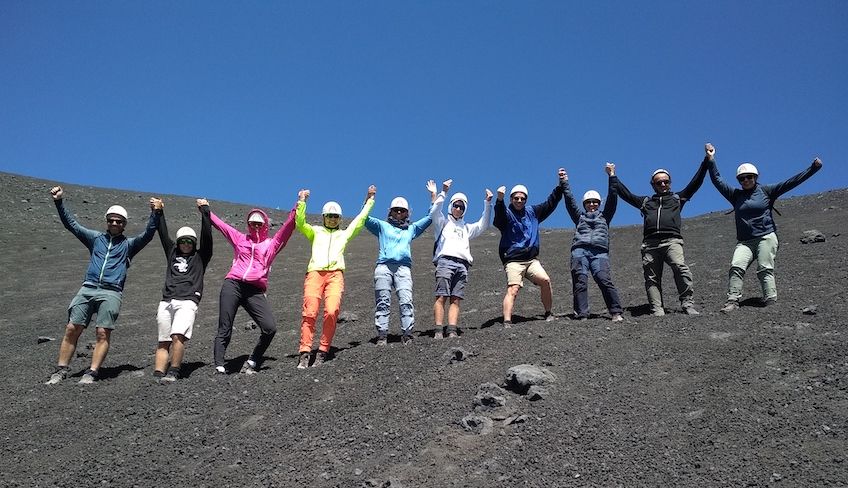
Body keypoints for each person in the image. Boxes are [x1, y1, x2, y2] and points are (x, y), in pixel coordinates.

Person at [46, 186, 161, 385]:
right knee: (73, 327)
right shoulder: (95, 238)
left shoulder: (129, 245)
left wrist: (156, 213)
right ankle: (61, 370)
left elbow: (148, 234)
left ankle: (92, 372)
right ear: (107, 222)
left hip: (111, 291)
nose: (114, 223)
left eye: (118, 221)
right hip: (88, 287)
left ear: (124, 224)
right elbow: (71, 224)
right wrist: (59, 201)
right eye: (111, 220)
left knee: (102, 331)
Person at [705, 143, 823, 312]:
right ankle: (732, 300)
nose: (746, 180)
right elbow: (717, 179)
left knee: (764, 268)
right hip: (744, 241)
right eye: (742, 178)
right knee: (736, 266)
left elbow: (790, 183)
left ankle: (770, 299)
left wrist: (812, 169)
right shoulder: (735, 195)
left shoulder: (766, 191)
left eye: (749, 177)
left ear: (756, 177)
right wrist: (711, 158)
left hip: (766, 237)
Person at [612, 146, 710, 316]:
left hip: (672, 241)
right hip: (650, 244)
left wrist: (707, 160)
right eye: (659, 182)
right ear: (653, 185)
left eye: (666, 181)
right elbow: (625, 194)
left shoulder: (677, 199)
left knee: (680, 268)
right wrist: (612, 175)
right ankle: (657, 308)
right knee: (651, 278)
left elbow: (696, 182)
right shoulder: (646, 202)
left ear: (670, 182)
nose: (663, 184)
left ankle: (687, 303)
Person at [295, 185, 376, 368]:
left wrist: (369, 200)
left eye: (336, 217)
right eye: (329, 216)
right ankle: (305, 352)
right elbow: (300, 223)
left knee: (332, 311)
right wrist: (302, 202)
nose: (332, 220)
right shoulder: (315, 231)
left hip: (335, 275)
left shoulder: (343, 235)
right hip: (315, 273)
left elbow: (359, 220)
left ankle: (323, 350)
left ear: (339, 219)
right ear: (324, 217)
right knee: (310, 312)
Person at [210, 202, 296, 374]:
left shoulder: (271, 244)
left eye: (259, 223)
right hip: (233, 284)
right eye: (252, 223)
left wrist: (299, 205)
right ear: (248, 225)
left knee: (270, 327)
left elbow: (287, 228)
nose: (256, 226)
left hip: (254, 290)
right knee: (225, 325)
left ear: (265, 225)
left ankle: (253, 359)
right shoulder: (240, 238)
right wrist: (206, 211)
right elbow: (222, 226)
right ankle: (219, 364)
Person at [493, 169, 566, 327]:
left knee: (545, 281)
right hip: (513, 261)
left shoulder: (533, 212)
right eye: (516, 198)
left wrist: (561, 185)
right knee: (513, 288)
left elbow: (550, 202)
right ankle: (507, 321)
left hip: (532, 260)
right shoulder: (506, 214)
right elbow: (498, 219)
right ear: (511, 199)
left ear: (526, 199)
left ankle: (548, 313)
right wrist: (499, 200)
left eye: (522, 198)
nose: (519, 201)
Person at [153, 198, 213, 382]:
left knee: (178, 335)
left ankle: (174, 370)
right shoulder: (172, 252)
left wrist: (205, 211)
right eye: (183, 241)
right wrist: (159, 212)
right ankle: (158, 373)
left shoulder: (201, 256)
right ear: (178, 242)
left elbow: (207, 237)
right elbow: (163, 234)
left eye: (190, 241)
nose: (186, 244)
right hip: (167, 300)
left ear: (193, 243)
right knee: (163, 340)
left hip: (187, 300)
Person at [365, 189, 434, 345]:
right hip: (384, 266)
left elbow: (430, 217)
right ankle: (382, 335)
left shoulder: (411, 229)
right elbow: (364, 218)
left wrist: (433, 197)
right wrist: (369, 198)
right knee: (383, 301)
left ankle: (407, 333)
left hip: (403, 268)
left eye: (402, 210)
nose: (398, 213)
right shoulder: (381, 226)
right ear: (390, 211)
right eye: (396, 210)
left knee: (406, 300)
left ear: (407, 213)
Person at [427, 178, 493, 338]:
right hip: (445, 261)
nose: (458, 208)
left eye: (461, 206)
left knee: (456, 298)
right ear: (451, 206)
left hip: (463, 265)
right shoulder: (442, 222)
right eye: (456, 205)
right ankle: (438, 329)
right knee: (441, 295)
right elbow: (434, 211)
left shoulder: (466, 227)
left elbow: (483, 225)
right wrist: (443, 192)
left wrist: (487, 203)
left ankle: (452, 329)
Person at [561, 163, 624, 322]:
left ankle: (616, 312)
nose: (592, 204)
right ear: (584, 204)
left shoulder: (605, 216)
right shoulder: (579, 217)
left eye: (595, 202)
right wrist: (564, 182)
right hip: (579, 252)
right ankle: (582, 314)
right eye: (588, 202)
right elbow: (569, 200)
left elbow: (613, 196)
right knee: (580, 282)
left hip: (600, 253)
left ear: (599, 203)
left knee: (603, 279)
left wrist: (612, 175)